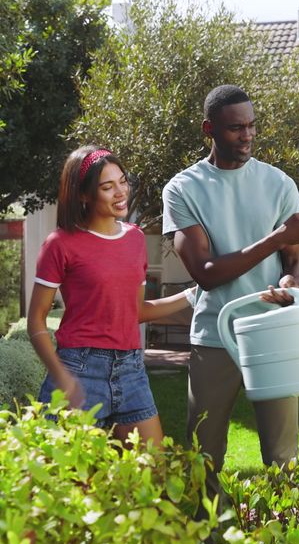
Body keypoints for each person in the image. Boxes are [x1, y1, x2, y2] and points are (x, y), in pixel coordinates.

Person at [162, 84, 299, 496]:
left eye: (252, 126)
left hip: (272, 335)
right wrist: (277, 238)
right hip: (215, 334)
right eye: (235, 128)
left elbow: (294, 262)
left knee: (283, 458)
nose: (247, 136)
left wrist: (290, 282)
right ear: (209, 129)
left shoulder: (279, 184)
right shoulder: (183, 188)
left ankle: (284, 536)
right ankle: (208, 538)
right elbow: (205, 272)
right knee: (202, 456)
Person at [28, 145, 195, 447]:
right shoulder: (60, 244)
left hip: (131, 370)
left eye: (123, 181)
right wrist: (62, 377)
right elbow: (36, 321)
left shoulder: (135, 238)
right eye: (108, 186)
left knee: (151, 477)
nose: (121, 192)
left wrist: (192, 295)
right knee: (75, 486)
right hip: (79, 368)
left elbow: (137, 311)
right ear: (84, 195)